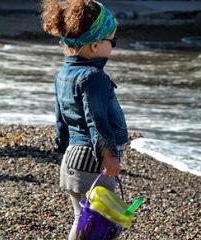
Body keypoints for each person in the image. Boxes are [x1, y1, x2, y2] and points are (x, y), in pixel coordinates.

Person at [41, 0, 129, 239]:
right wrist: (108, 154)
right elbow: (96, 120)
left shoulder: (64, 74)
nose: (113, 47)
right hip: (92, 160)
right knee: (98, 223)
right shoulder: (93, 77)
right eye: (113, 41)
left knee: (83, 218)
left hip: (71, 159)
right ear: (95, 45)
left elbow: (60, 118)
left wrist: (63, 148)